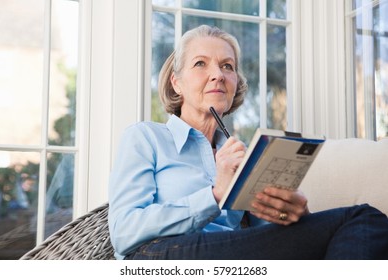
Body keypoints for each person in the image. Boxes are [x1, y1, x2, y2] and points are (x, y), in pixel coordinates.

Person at [108, 25, 388, 260]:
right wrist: (215, 195)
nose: (218, 74)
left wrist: (294, 215)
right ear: (176, 83)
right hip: (159, 258)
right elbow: (124, 232)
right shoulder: (145, 137)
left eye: (227, 66)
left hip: (234, 262)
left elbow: (265, 239)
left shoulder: (241, 155)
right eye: (200, 63)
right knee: (363, 218)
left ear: (235, 84)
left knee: (363, 227)